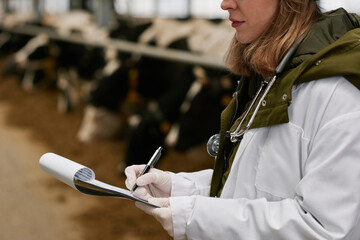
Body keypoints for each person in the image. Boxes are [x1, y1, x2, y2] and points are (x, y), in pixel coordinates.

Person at [125, 0, 360, 239]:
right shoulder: (275, 74)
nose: (225, 4)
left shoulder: (341, 96)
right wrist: (179, 189)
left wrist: (195, 215)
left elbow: (324, 229)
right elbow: (259, 183)